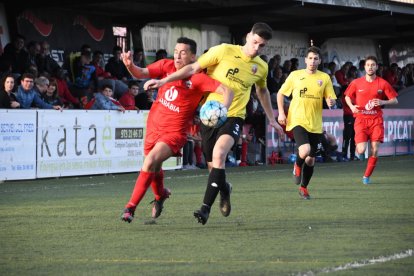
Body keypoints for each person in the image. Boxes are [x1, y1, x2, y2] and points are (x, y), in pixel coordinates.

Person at [145, 22, 284, 225]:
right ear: (248, 36)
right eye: (255, 42)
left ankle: (205, 209)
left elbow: (262, 91)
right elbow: (193, 68)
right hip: (208, 115)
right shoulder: (223, 50)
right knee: (213, 168)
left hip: (233, 116)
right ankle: (225, 189)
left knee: (219, 155)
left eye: (262, 46)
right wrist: (164, 81)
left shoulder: (261, 67)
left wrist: (273, 119)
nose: (257, 48)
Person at [120, 37, 233, 223]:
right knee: (154, 166)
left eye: (183, 52)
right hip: (153, 127)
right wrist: (129, 64)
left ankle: (130, 208)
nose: (178, 55)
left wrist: (223, 109)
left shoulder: (198, 78)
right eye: (176, 51)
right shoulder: (166, 65)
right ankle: (160, 195)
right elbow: (140, 73)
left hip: (174, 133)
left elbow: (227, 90)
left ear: (193, 57)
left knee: (150, 161)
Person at [277, 46, 336, 199]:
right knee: (304, 151)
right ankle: (297, 165)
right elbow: (280, 94)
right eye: (310, 58)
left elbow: (332, 99)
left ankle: (303, 188)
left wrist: (331, 102)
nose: (312, 61)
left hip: (315, 124)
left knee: (310, 160)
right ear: (305, 60)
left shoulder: (325, 78)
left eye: (315, 58)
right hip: (297, 119)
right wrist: (282, 113)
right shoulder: (295, 75)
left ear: (320, 61)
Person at [344, 56, 398, 185]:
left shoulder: (382, 83)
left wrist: (382, 101)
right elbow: (347, 96)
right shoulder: (357, 82)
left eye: (373, 65)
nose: (370, 67)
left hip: (376, 120)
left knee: (374, 149)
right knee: (361, 149)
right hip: (361, 120)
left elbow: (395, 100)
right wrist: (352, 106)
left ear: (376, 67)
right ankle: (360, 153)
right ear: (364, 67)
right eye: (368, 65)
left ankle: (366, 176)